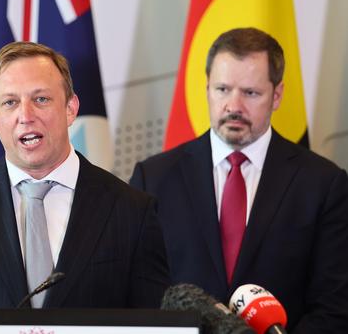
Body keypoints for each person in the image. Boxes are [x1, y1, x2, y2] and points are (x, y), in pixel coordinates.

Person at [0, 42, 169, 309]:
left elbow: (153, 323)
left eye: (41, 99)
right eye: (10, 102)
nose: (26, 115)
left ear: (71, 108)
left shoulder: (132, 212)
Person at [130, 27, 348, 332]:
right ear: (206, 88)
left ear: (277, 95)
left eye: (250, 93)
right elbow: (136, 299)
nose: (234, 106)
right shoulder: (152, 179)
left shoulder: (323, 184)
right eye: (222, 89)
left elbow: (334, 307)